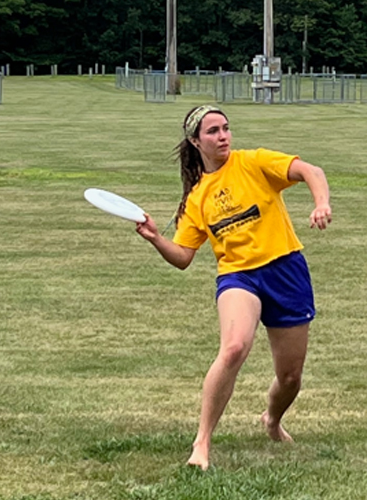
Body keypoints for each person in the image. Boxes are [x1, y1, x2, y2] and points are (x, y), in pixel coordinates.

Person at [135, 104, 332, 470]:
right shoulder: (197, 197)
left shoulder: (254, 162)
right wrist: (155, 238)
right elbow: (183, 256)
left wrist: (321, 203)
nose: (223, 136)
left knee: (290, 377)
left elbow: (310, 170)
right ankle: (202, 444)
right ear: (195, 141)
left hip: (285, 269)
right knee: (234, 347)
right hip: (238, 277)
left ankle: (271, 420)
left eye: (225, 128)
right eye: (213, 131)